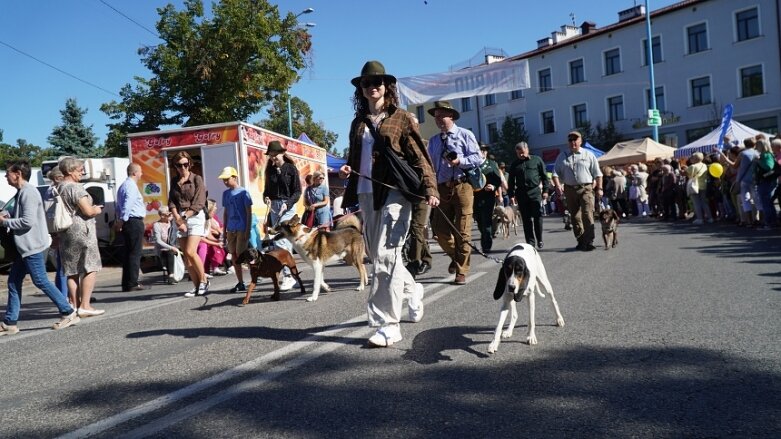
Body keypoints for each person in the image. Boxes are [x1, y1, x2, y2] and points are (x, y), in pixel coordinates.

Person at [339, 60, 439, 347]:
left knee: (385, 254)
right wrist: (348, 167)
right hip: (365, 192)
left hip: (395, 193)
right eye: (367, 83)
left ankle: (389, 324)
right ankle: (412, 290)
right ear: (361, 89)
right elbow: (356, 156)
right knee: (382, 256)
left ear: (387, 87)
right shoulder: (358, 123)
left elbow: (421, 157)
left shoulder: (403, 118)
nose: (372, 87)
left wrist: (430, 188)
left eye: (377, 82)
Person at [0, 159, 81, 335]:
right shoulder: (22, 192)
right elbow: (23, 215)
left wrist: (5, 221)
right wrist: (8, 214)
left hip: (33, 245)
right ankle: (10, 323)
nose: (6, 176)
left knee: (40, 280)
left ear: (18, 174)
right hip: (25, 247)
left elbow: (27, 221)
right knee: (13, 282)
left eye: (8, 173)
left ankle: (68, 311)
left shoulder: (28, 192)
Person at [427, 100, 483, 285]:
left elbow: (478, 158)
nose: (438, 119)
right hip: (442, 188)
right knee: (439, 230)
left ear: (451, 116)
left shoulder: (465, 135)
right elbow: (430, 167)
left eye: (441, 115)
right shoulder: (434, 141)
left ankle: (461, 271)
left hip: (463, 186)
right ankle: (456, 256)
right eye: (436, 116)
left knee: (463, 231)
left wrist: (460, 161)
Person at [58, 157, 105, 315]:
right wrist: (97, 209)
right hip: (82, 231)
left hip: (65, 233)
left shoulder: (58, 188)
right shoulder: (75, 188)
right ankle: (85, 305)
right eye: (79, 170)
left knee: (72, 271)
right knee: (91, 267)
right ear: (70, 171)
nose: (82, 172)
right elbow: (88, 211)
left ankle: (75, 304)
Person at [551, 130, 603, 251]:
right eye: (571, 140)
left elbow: (598, 174)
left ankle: (589, 241)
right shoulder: (562, 156)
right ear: (568, 142)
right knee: (575, 216)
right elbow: (555, 174)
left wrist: (599, 188)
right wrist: (558, 186)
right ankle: (580, 240)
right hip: (569, 190)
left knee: (587, 214)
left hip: (586, 188)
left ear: (580, 141)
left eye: (576, 139)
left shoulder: (588, 154)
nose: (573, 142)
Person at [168, 151, 209, 297]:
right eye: (179, 165)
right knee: (186, 254)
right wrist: (177, 217)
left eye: (185, 164)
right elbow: (171, 201)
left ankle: (204, 280)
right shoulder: (174, 181)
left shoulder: (197, 179)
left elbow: (199, 202)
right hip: (180, 217)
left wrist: (183, 217)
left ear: (190, 164)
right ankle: (197, 286)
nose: (183, 168)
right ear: (175, 166)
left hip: (195, 216)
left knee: (191, 251)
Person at [263, 140, 302, 292]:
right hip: (274, 207)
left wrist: (288, 203)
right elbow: (266, 191)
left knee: (283, 242)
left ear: (282, 153)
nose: (273, 158)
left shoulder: (291, 169)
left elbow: (297, 191)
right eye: (271, 156)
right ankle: (293, 275)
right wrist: (266, 198)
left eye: (275, 155)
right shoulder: (270, 171)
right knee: (280, 242)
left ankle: (289, 276)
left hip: (288, 207)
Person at [507, 141, 549, 249]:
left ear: (527, 150)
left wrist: (545, 191)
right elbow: (511, 181)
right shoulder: (514, 164)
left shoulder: (537, 160)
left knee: (537, 216)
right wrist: (511, 195)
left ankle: (539, 239)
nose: (521, 155)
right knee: (526, 220)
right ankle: (530, 242)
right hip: (521, 194)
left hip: (535, 192)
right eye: (518, 153)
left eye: (523, 152)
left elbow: (545, 177)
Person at [219, 166, 252, 293]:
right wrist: (224, 231)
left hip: (242, 228)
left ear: (234, 177)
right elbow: (226, 212)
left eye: (227, 179)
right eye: (224, 180)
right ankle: (240, 282)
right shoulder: (225, 194)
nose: (225, 182)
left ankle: (256, 274)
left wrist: (247, 230)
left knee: (241, 254)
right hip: (230, 229)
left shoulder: (244, 192)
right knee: (233, 254)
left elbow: (249, 212)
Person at [115, 163, 147, 292]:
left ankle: (127, 282)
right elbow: (128, 204)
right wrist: (123, 219)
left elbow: (119, 206)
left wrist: (120, 219)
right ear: (134, 173)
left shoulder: (123, 186)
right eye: (140, 172)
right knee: (135, 252)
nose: (141, 174)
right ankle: (133, 282)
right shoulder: (131, 186)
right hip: (133, 221)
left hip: (128, 222)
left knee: (128, 253)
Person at [472, 143, 504, 253]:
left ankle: (486, 245)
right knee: (479, 222)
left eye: (484, 150)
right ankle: (486, 237)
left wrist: (493, 186)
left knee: (486, 221)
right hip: (475, 197)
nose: (483, 152)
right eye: (481, 150)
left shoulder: (491, 164)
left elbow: (498, 180)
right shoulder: (472, 164)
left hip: (487, 197)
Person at [43, 167, 68, 297]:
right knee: (66, 266)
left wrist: (53, 233)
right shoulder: (58, 190)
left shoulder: (48, 191)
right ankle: (66, 296)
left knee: (61, 265)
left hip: (55, 230)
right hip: (64, 229)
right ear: (59, 178)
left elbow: (48, 215)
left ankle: (64, 295)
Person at [197, 199, 226, 277]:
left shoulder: (208, 219)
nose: (216, 208)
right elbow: (201, 238)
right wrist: (216, 243)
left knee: (207, 245)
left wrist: (218, 241)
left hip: (203, 240)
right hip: (197, 241)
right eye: (215, 207)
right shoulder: (202, 220)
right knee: (203, 245)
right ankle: (201, 272)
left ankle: (203, 271)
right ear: (210, 208)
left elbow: (208, 235)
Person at [152, 206, 180, 284]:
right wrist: (171, 247)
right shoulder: (157, 225)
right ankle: (171, 276)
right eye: (167, 214)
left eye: (170, 213)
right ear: (162, 216)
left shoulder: (172, 224)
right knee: (169, 252)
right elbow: (158, 241)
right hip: (162, 249)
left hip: (172, 247)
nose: (169, 215)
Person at [754, 138, 778, 229]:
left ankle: (769, 223)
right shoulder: (766, 155)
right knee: (768, 203)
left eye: (758, 145)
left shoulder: (766, 155)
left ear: (762, 146)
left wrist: (758, 161)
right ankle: (772, 222)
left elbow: (769, 167)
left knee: (766, 203)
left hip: (766, 182)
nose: (756, 147)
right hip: (766, 182)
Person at [686, 152, 712, 225]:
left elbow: (688, 175)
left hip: (695, 186)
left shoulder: (692, 166)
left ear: (695, 159)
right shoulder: (704, 165)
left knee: (696, 203)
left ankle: (700, 218)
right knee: (704, 202)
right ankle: (710, 217)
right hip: (703, 185)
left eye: (692, 157)